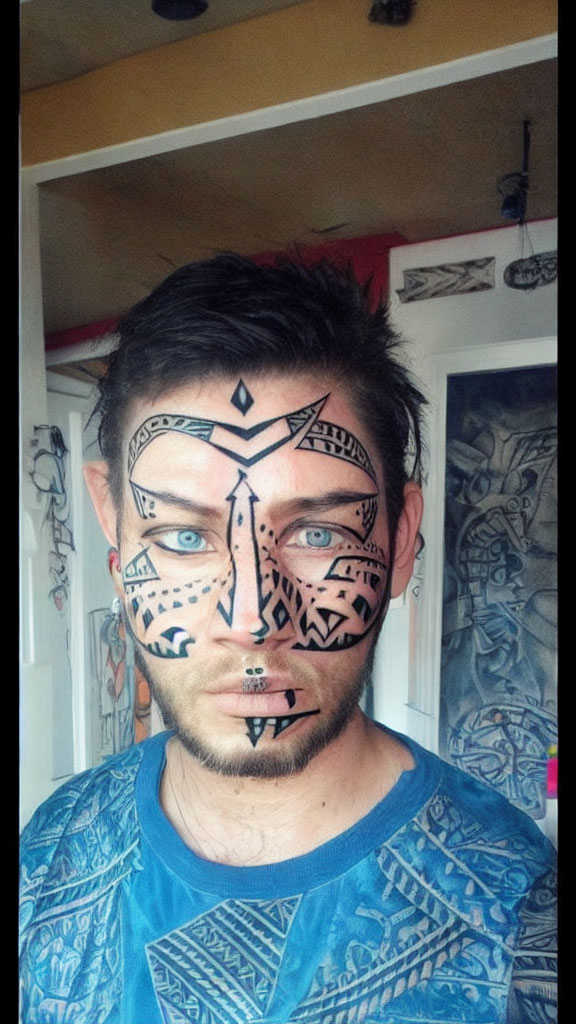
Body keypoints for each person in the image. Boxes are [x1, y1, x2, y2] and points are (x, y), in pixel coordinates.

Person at [19, 253, 557, 1024]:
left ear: (402, 538)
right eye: (179, 536)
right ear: (114, 533)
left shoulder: (519, 925)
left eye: (316, 531)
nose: (254, 617)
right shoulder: (49, 854)